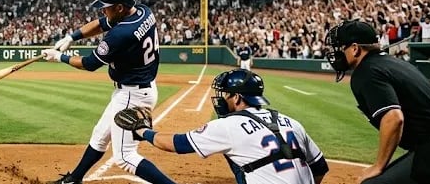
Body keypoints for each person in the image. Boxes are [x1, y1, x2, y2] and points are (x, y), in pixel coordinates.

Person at [324, 20, 430, 184]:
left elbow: (394, 119)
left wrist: (378, 166)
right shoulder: (395, 63)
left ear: (355, 49)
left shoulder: (366, 71)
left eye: (340, 48)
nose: (336, 53)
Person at [40, 0, 174, 184]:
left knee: (125, 156)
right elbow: (102, 24)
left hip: (132, 95)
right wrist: (72, 36)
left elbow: (90, 63)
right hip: (135, 89)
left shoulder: (121, 34)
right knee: (100, 136)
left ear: (120, 7)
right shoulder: (143, 11)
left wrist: (60, 58)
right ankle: (74, 179)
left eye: (106, 8)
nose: (103, 12)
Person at [114, 69, 329, 184]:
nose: (220, 99)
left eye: (225, 94)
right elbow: (320, 168)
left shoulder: (229, 126)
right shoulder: (292, 122)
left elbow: (177, 144)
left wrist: (142, 131)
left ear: (237, 98)